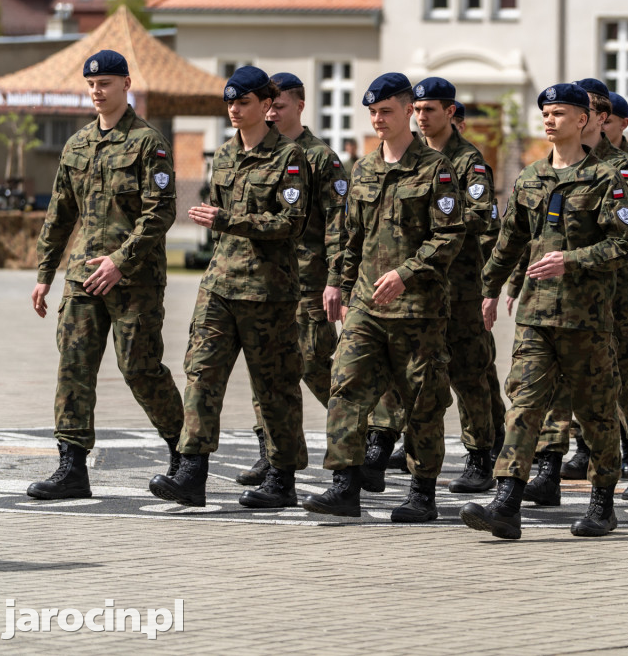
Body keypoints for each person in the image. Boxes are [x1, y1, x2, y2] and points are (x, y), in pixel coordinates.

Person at [459, 83, 628, 539]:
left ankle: (602, 503)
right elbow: (509, 241)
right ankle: (506, 502)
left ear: (583, 120)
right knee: (523, 406)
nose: (549, 119)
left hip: (587, 318)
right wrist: (489, 288)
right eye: (545, 112)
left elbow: (627, 241)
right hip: (536, 316)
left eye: (559, 112)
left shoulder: (610, 175)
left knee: (597, 412)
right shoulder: (529, 177)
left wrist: (573, 259)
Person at [301, 72, 464, 523]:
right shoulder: (364, 170)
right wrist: (337, 281)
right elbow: (349, 237)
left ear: (409, 111)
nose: (378, 120)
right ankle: (345, 486)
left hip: (418, 310)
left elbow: (449, 237)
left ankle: (422, 492)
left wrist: (407, 274)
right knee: (345, 386)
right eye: (372, 112)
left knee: (422, 401)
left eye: (386, 111)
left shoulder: (436, 170)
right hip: (367, 308)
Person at [148, 66, 310, 509]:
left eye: (243, 103)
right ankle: (192, 471)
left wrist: (228, 220)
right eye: (230, 104)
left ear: (265, 105)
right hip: (220, 285)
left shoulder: (289, 159)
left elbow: (290, 224)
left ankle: (281, 478)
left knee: (274, 386)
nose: (235, 110)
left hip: (268, 292)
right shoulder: (222, 155)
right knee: (201, 375)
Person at [27, 50, 184, 500]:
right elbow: (59, 214)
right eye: (92, 85)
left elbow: (160, 214)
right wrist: (44, 274)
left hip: (133, 279)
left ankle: (185, 451)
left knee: (140, 368)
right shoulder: (76, 145)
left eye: (107, 84)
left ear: (126, 84)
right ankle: (71, 467)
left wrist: (120, 261)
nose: (98, 91)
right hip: (82, 275)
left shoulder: (147, 142)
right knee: (73, 367)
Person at [523, 79, 628, 507]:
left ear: (602, 117)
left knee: (619, 382)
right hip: (561, 297)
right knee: (555, 382)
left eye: (597, 109)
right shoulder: (556, 165)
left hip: (617, 294)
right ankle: (549, 464)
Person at [358, 76, 498, 495]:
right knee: (404, 369)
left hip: (458, 284)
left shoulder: (468, 162)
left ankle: (480, 455)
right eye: (416, 110)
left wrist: (430, 219)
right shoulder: (403, 157)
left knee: (469, 371)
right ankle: (388, 443)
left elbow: (478, 220)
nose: (421, 117)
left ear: (451, 113)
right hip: (411, 287)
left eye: (429, 110)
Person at [235, 72, 349, 486]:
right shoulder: (258, 152)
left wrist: (336, 278)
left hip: (309, 284)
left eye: (279, 106)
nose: (270, 113)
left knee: (319, 365)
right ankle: (272, 451)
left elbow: (341, 222)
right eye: (267, 105)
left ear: (300, 106)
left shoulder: (320, 157)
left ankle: (367, 433)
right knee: (264, 371)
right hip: (263, 283)